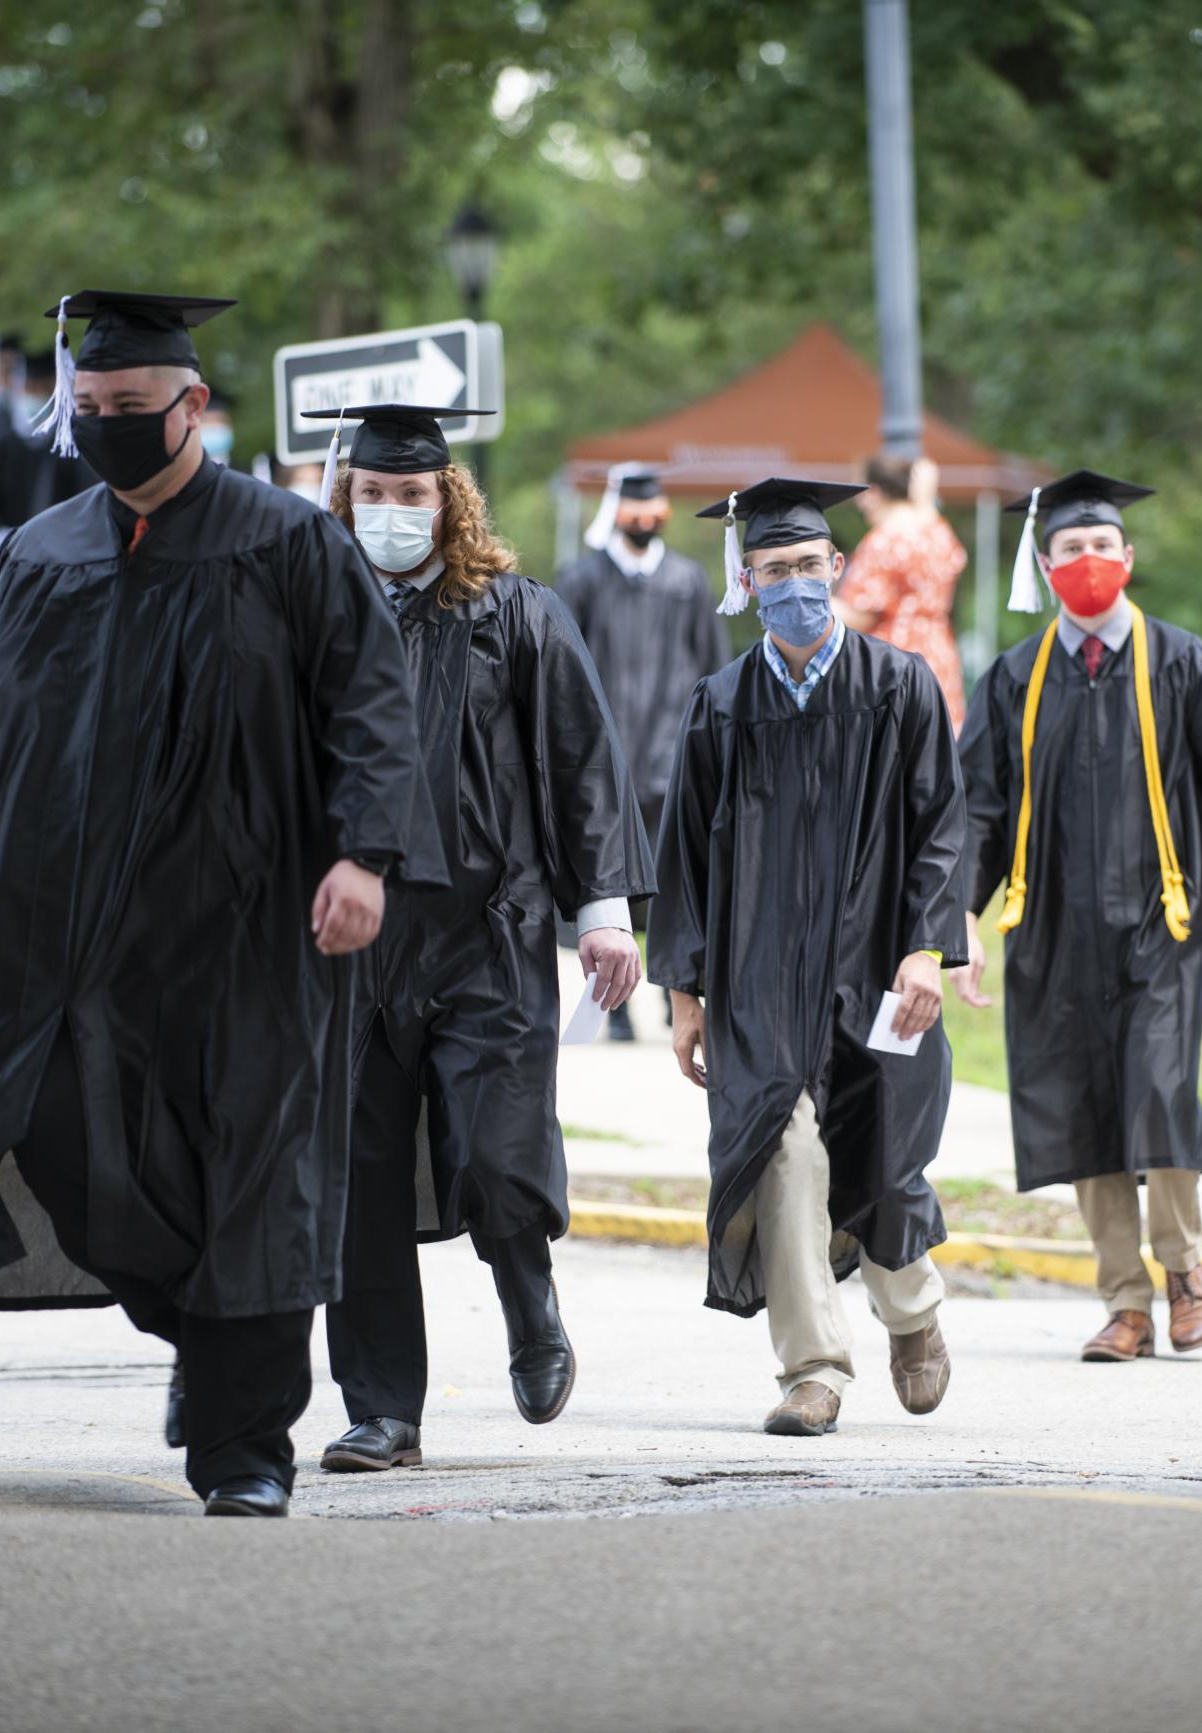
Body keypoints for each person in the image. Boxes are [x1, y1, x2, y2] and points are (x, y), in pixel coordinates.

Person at [0, 291, 431, 1517]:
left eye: (130, 409)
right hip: (76, 929)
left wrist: (365, 856)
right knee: (52, 1132)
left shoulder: (287, 540)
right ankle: (199, 1321)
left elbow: (371, 704)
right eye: (87, 411)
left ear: (192, 405)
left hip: (249, 926)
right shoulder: (39, 554)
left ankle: (244, 1448)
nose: (105, 428)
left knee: (254, 1165)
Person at [311, 405, 649, 1474]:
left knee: (499, 1154)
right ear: (346, 499)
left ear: (446, 501)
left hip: (486, 930)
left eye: (411, 495)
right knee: (358, 1182)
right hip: (352, 947)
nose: (392, 512)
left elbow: (582, 762)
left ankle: (527, 1297)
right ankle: (382, 1411)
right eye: (373, 494)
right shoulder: (312, 615)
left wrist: (600, 911)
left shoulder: (516, 613)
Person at [651, 477, 971, 1436]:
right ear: (745, 581)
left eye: (807, 566)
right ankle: (814, 1368)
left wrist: (925, 948)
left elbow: (941, 829)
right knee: (779, 1152)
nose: (793, 584)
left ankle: (911, 1314)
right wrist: (685, 991)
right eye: (773, 569)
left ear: (838, 568)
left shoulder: (899, 684)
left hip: (877, 968)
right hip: (756, 981)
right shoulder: (720, 704)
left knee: (882, 1154)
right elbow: (684, 857)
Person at [956, 471, 1202, 1360]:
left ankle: (1184, 1270)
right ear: (1044, 563)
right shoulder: (1016, 677)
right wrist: (956, 918)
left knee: (1157, 1089)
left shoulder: (1180, 661)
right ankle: (1126, 1301)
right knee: (1081, 1108)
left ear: (1129, 557)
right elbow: (980, 811)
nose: (1090, 561)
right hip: (1053, 928)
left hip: (1162, 922)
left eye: (1104, 546)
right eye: (1071, 549)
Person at [551, 463, 728, 1041]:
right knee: (610, 886)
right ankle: (618, 1008)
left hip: (671, 758)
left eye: (655, 508)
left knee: (672, 885)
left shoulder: (688, 581)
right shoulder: (581, 581)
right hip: (602, 760)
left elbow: (712, 668)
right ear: (618, 512)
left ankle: (671, 996)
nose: (646, 519)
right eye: (636, 509)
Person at [840, 452, 968, 730]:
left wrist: (816, 600)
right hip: (939, 651)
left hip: (895, 657)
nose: (859, 503)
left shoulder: (884, 539)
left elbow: (862, 614)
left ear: (874, 492)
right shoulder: (936, 530)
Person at [0, 345, 97, 563]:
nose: (35, 396)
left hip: (61, 560)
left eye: (43, 388)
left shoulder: (70, 446)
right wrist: (1, 538)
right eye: (29, 388)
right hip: (5, 558)